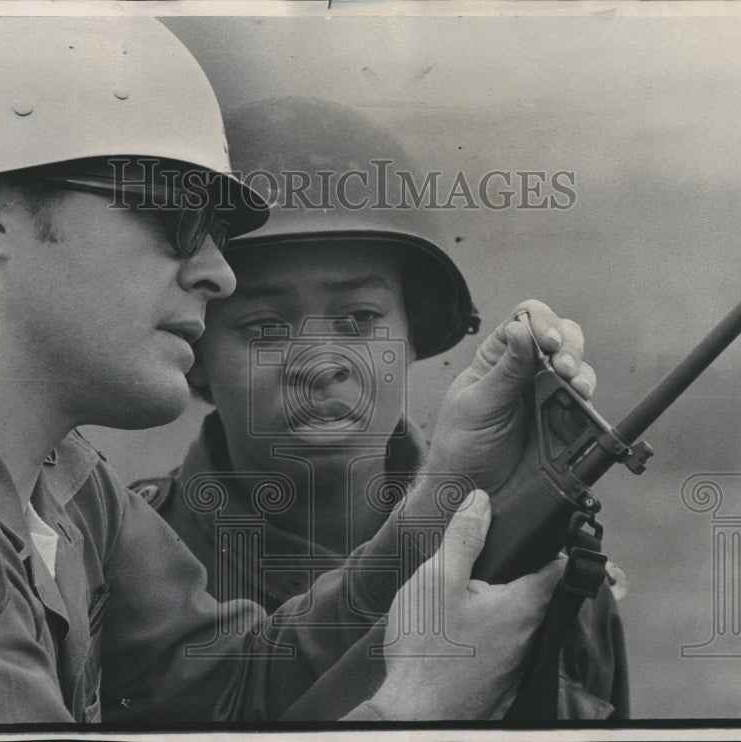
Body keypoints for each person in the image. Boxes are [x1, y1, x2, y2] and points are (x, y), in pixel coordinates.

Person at [0, 17, 585, 725]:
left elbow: (234, 688)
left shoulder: (58, 477)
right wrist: (411, 715)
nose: (219, 274)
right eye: (179, 218)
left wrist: (447, 487)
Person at [132, 97, 628, 719]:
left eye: (360, 319)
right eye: (263, 328)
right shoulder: (133, 560)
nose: (321, 362)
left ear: (414, 332)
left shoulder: (527, 563)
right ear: (195, 346)